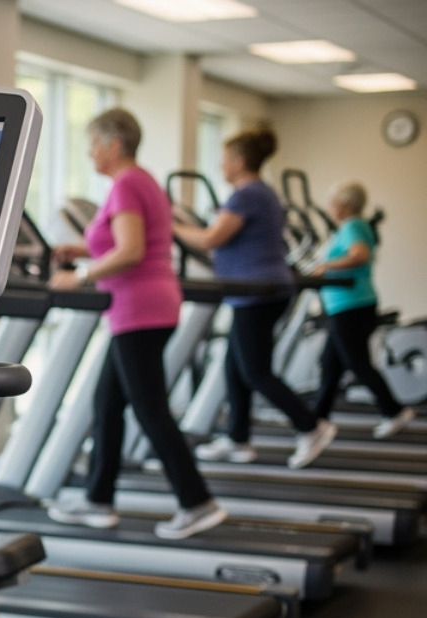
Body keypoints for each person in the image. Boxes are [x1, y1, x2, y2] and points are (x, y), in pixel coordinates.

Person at [47, 108, 228, 541]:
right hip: (144, 307)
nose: (89, 152)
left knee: (150, 409)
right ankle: (98, 501)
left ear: (113, 144)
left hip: (138, 309)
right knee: (107, 403)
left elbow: (130, 251)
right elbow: (134, 245)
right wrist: (82, 249)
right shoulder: (141, 181)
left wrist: (81, 276)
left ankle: (198, 502)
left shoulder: (127, 184)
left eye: (93, 143)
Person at [172, 126, 338, 470]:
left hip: (258, 294)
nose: (221, 165)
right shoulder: (260, 193)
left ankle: (311, 426)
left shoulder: (247, 195)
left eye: (224, 159)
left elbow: (210, 240)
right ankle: (237, 438)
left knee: (256, 372)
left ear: (239, 160)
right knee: (235, 366)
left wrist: (168, 226)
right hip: (254, 293)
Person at [309, 181, 414, 438]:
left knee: (357, 364)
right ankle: (315, 422)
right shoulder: (354, 226)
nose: (329, 207)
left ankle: (394, 410)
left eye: (332, 203)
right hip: (349, 305)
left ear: (343, 205)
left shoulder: (353, 226)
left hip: (350, 306)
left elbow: (359, 255)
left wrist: (325, 266)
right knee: (330, 364)